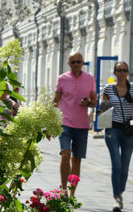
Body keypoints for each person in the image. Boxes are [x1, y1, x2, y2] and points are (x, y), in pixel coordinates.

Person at [52, 51, 96, 196]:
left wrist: (88, 102)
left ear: (83, 62)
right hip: (64, 122)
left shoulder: (90, 79)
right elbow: (55, 101)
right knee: (65, 154)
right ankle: (63, 189)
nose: (76, 64)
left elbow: (94, 102)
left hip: (82, 125)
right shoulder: (62, 79)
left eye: (78, 61)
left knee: (76, 160)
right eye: (73, 62)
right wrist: (48, 124)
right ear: (68, 63)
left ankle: (72, 193)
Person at [101, 61, 133, 212]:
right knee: (116, 164)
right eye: (119, 70)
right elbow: (103, 107)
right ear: (115, 72)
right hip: (113, 130)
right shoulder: (108, 88)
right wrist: (101, 115)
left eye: (124, 70)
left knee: (124, 167)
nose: (122, 73)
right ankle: (116, 198)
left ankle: (120, 192)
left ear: (128, 72)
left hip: (128, 131)